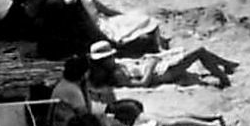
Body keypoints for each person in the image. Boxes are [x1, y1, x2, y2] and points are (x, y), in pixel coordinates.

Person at [88, 39, 238, 89]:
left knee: (192, 51)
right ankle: (223, 78)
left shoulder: (116, 66)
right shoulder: (118, 74)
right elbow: (143, 84)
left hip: (154, 65)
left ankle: (226, 64)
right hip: (162, 73)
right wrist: (151, 65)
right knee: (199, 51)